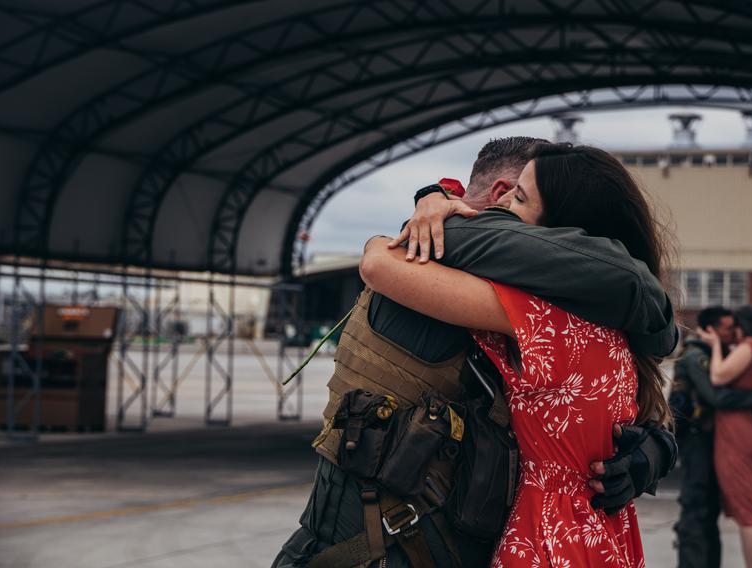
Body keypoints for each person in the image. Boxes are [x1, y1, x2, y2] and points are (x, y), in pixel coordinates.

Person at [274, 137, 679, 568]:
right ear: (501, 193)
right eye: (515, 196)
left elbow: (611, 405)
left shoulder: (557, 313)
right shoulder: (449, 282)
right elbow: (382, 264)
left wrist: (654, 447)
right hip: (371, 551)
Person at [670, 307, 752, 568]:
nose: (733, 331)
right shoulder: (696, 356)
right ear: (711, 329)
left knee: (708, 508)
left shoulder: (714, 353)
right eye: (727, 327)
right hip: (696, 439)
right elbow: (717, 397)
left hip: (708, 439)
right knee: (697, 505)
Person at [696, 305, 752, 568]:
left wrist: (713, 346)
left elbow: (718, 375)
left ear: (744, 325)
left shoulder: (750, 346)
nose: (731, 331)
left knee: (748, 513)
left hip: (735, 434)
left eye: (734, 325)